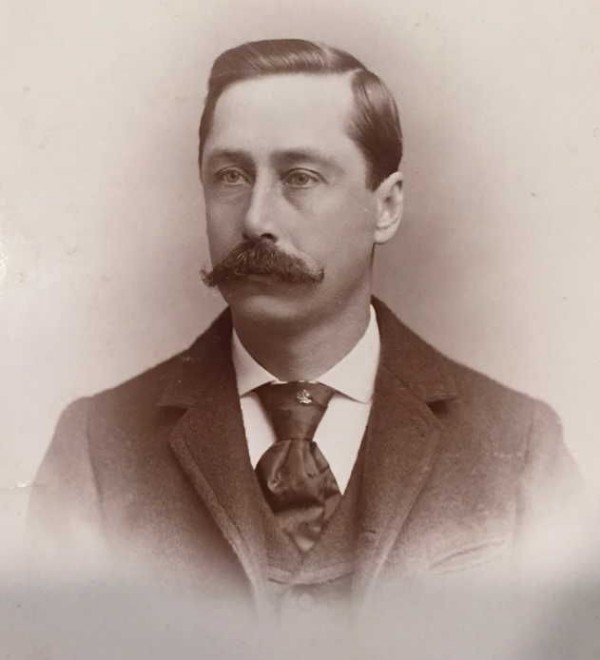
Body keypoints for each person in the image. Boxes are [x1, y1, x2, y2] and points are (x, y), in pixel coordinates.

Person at [29, 39, 582, 614]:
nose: (255, 219)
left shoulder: (520, 446)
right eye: (230, 176)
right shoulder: (95, 449)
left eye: (300, 177)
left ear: (386, 207)